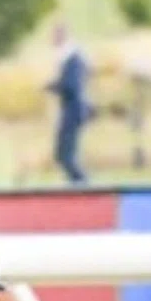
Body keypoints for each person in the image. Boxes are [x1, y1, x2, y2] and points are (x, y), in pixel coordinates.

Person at [46, 23, 93, 186]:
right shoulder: (71, 57)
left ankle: (83, 185)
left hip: (73, 111)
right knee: (63, 155)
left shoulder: (72, 58)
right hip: (71, 111)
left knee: (65, 155)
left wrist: (52, 86)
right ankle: (79, 184)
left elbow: (70, 86)